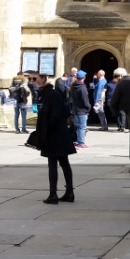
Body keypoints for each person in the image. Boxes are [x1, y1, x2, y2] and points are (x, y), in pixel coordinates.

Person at [34, 73, 76, 204]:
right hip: (57, 133)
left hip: (55, 134)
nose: (33, 81)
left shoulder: (50, 94)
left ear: (43, 80)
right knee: (63, 163)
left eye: (35, 79)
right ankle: (68, 192)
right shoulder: (46, 94)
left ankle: (54, 194)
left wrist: (47, 129)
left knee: (54, 164)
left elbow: (56, 114)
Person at [69, 70, 91, 149]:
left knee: (78, 127)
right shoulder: (82, 87)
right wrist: (88, 107)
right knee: (82, 127)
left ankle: (77, 141)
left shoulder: (73, 86)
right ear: (84, 77)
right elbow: (85, 100)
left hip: (75, 109)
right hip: (82, 110)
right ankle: (81, 143)